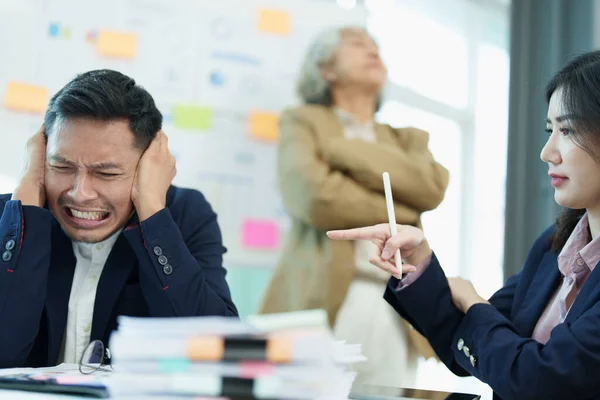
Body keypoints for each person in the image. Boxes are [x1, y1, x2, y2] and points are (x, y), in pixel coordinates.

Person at [327, 50, 600, 399]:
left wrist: (473, 301)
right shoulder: (554, 246)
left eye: (568, 130)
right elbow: (477, 342)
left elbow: (539, 379)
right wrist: (418, 263)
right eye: (550, 130)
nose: (547, 152)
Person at [0, 69, 238, 369]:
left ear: (148, 166)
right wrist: (27, 204)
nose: (80, 193)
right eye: (61, 166)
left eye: (106, 173)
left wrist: (152, 211)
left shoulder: (184, 214)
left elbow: (215, 354)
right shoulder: (12, 218)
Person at [258, 26, 449, 388]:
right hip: (323, 302)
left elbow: (432, 188)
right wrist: (401, 210)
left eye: (376, 45)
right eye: (357, 45)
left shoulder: (405, 137)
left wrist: (344, 153)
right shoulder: (303, 121)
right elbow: (314, 198)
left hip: (398, 306)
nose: (372, 50)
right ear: (326, 70)